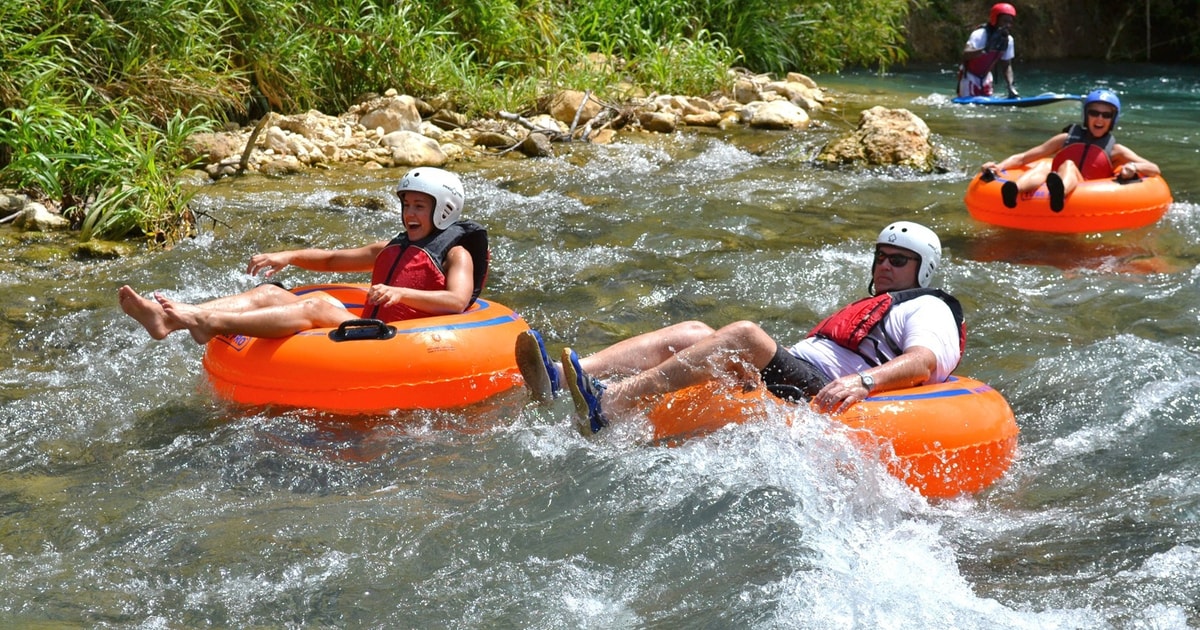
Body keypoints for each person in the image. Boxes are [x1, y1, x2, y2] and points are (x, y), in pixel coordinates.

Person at [516, 221, 965, 436]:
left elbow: (923, 361)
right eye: (881, 257)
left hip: (827, 389)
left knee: (745, 335)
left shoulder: (928, 306)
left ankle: (608, 405)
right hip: (799, 374)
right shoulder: (877, 303)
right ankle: (559, 379)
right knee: (694, 330)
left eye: (898, 260)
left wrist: (865, 381)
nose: (885, 265)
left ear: (922, 269)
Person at [119, 167, 489, 344]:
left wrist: (401, 294)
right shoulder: (393, 248)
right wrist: (288, 256)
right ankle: (171, 318)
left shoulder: (456, 254)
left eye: (420, 206)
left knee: (314, 306)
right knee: (269, 293)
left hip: (400, 337)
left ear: (444, 209)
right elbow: (331, 259)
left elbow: (456, 300)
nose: (409, 213)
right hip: (368, 328)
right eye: (407, 204)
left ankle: (202, 320)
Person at [981, 88, 1162, 212]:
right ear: (1086, 115)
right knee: (1045, 166)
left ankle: (1060, 193)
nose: (1099, 118)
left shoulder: (1116, 150)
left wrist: (1134, 168)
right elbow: (1022, 158)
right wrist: (998, 167)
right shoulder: (1065, 139)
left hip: (1087, 194)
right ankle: (1014, 189)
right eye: (1094, 113)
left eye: (1106, 115)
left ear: (1112, 120)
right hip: (1053, 183)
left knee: (1068, 164)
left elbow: (1154, 168)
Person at [958, 3, 1018, 99]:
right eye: (1004, 21)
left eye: (1010, 22)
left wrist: (1010, 85)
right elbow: (965, 54)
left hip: (986, 78)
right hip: (969, 77)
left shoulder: (1008, 40)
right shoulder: (979, 34)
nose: (1008, 25)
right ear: (995, 19)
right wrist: (985, 50)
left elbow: (1006, 65)